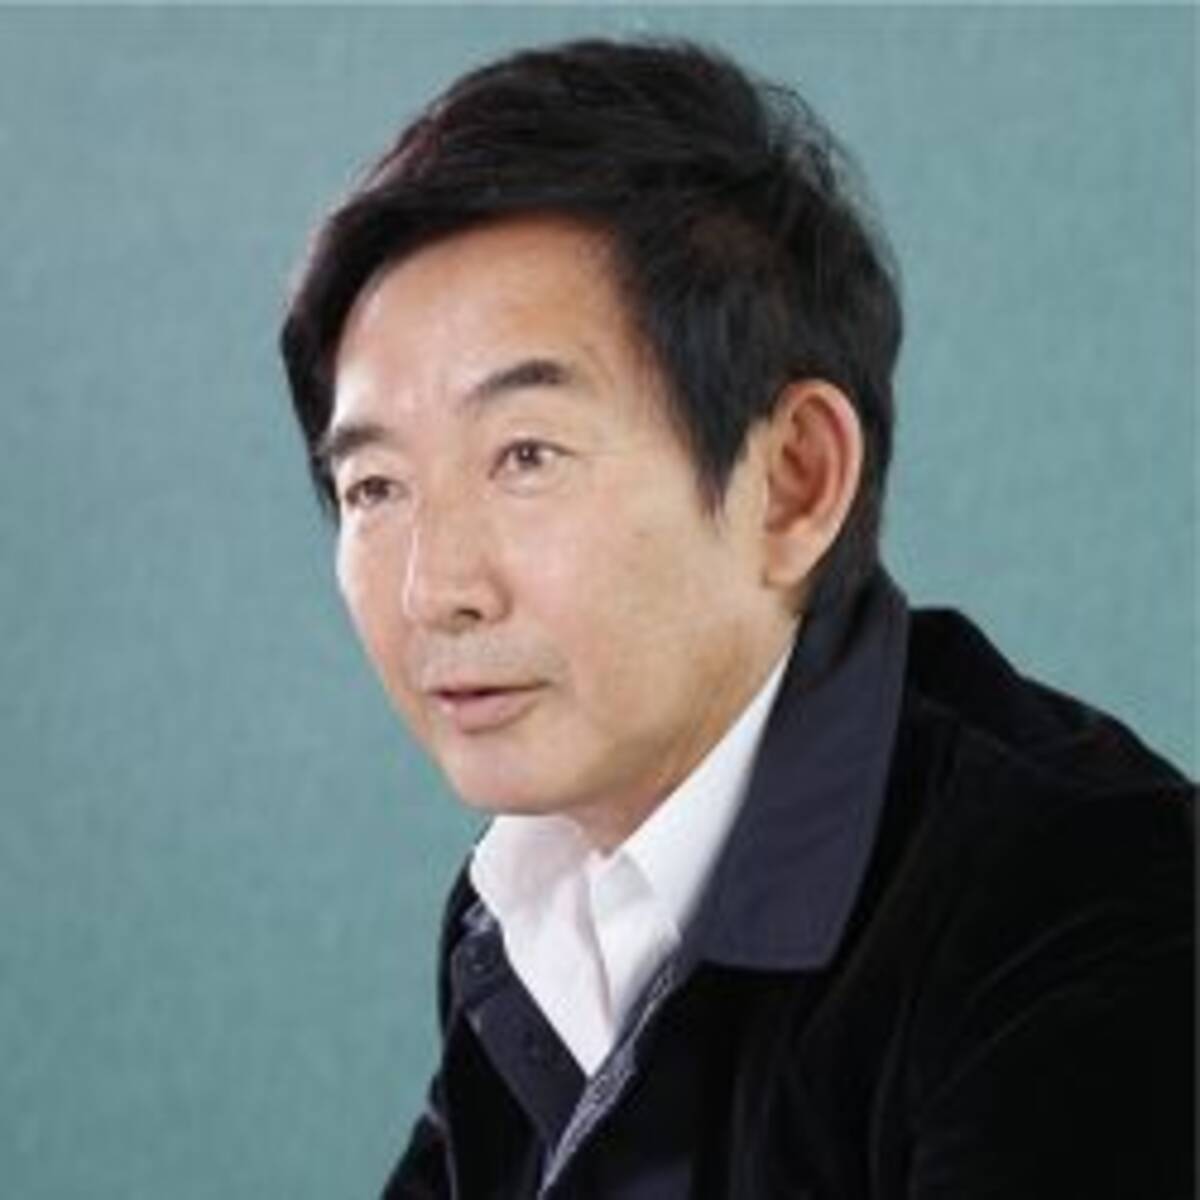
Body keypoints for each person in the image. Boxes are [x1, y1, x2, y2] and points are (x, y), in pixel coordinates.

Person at [279, 38, 1193, 1199]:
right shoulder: (537, 896)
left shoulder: (1095, 911)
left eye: (526, 456)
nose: (433, 590)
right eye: (375, 488)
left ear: (794, 483)